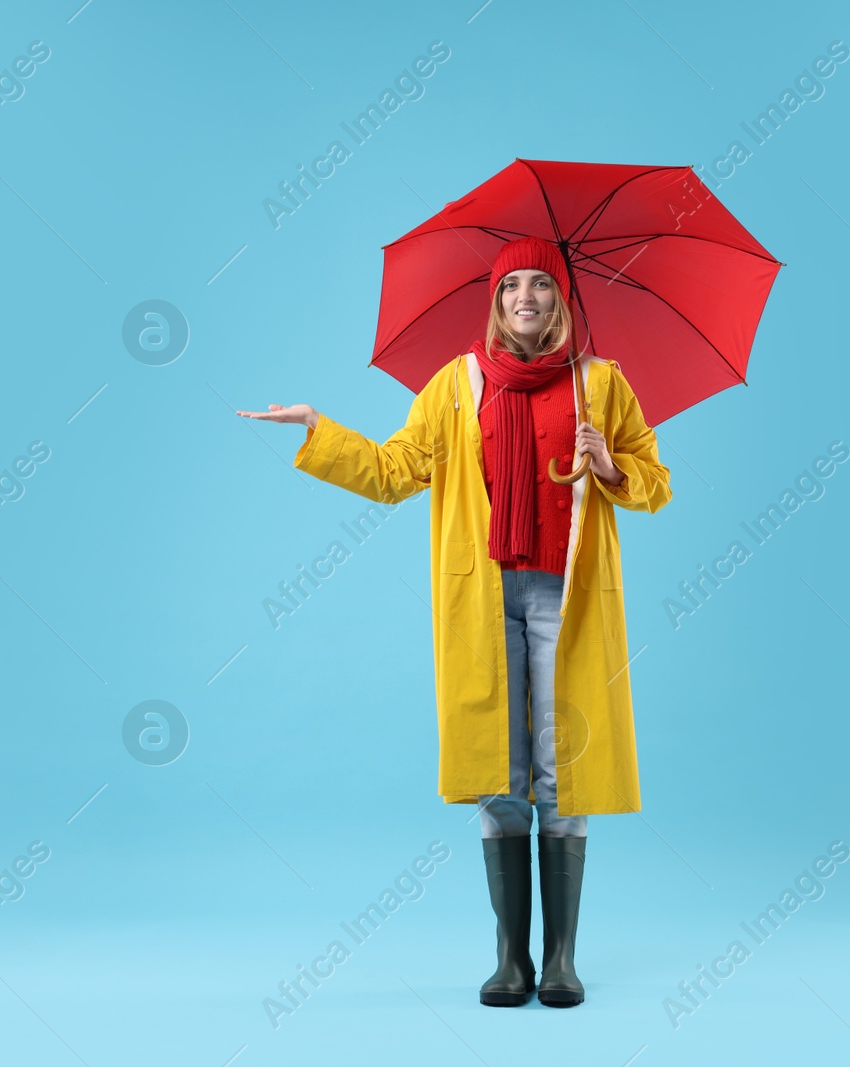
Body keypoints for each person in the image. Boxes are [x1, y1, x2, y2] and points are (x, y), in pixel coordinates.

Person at [237, 236, 671, 1007]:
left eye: (541, 286)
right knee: (498, 773)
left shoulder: (601, 386)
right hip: (484, 594)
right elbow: (394, 470)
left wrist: (610, 464)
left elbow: (654, 483)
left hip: (567, 596)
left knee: (562, 766)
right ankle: (512, 960)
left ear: (561, 300)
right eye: (512, 289)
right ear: (496, 302)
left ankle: (562, 960)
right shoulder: (454, 385)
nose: (526, 300)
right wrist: (317, 429)